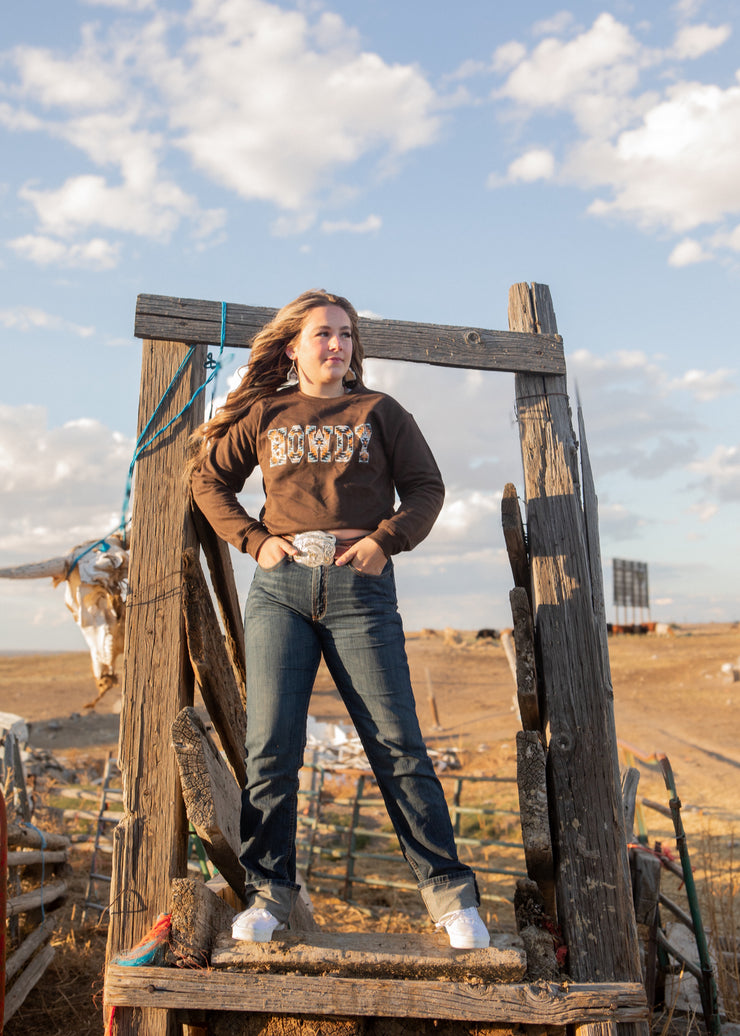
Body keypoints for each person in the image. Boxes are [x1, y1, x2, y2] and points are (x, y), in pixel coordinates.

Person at [189, 289, 489, 950]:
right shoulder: (267, 412)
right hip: (281, 588)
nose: (336, 345)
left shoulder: (380, 412)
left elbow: (427, 488)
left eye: (346, 335)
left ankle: (450, 896)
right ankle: (269, 895)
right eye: (322, 334)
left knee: (397, 744)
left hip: (360, 586)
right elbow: (208, 481)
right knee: (272, 750)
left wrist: (386, 541)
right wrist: (254, 540)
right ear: (293, 347)